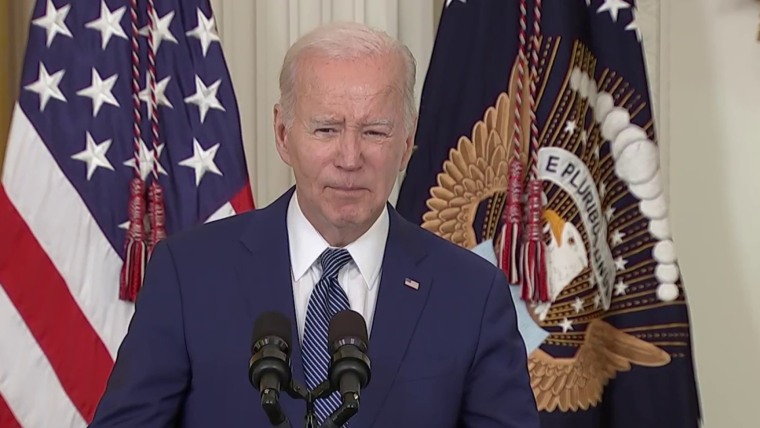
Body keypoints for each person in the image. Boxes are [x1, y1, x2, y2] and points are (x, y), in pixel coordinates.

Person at [89, 22, 539, 427]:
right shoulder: (189, 274)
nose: (350, 158)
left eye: (375, 132)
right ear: (283, 134)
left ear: (406, 142)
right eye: (326, 129)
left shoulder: (472, 294)